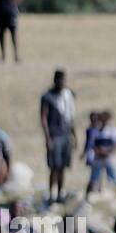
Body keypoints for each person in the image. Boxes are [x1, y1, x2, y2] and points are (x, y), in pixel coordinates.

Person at [39, 70, 76, 205]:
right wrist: (48, 138)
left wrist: (74, 136)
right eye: (60, 80)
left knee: (62, 167)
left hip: (66, 135)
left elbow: (71, 117)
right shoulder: (48, 97)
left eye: (64, 80)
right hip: (55, 135)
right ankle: (51, 194)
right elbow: (43, 118)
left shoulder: (68, 95)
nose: (62, 83)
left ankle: (61, 193)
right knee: (54, 167)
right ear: (55, 80)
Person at [85, 111, 116, 201]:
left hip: (109, 157)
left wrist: (107, 151)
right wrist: (97, 150)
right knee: (94, 178)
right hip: (98, 157)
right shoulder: (95, 130)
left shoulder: (111, 130)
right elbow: (91, 143)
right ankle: (86, 198)